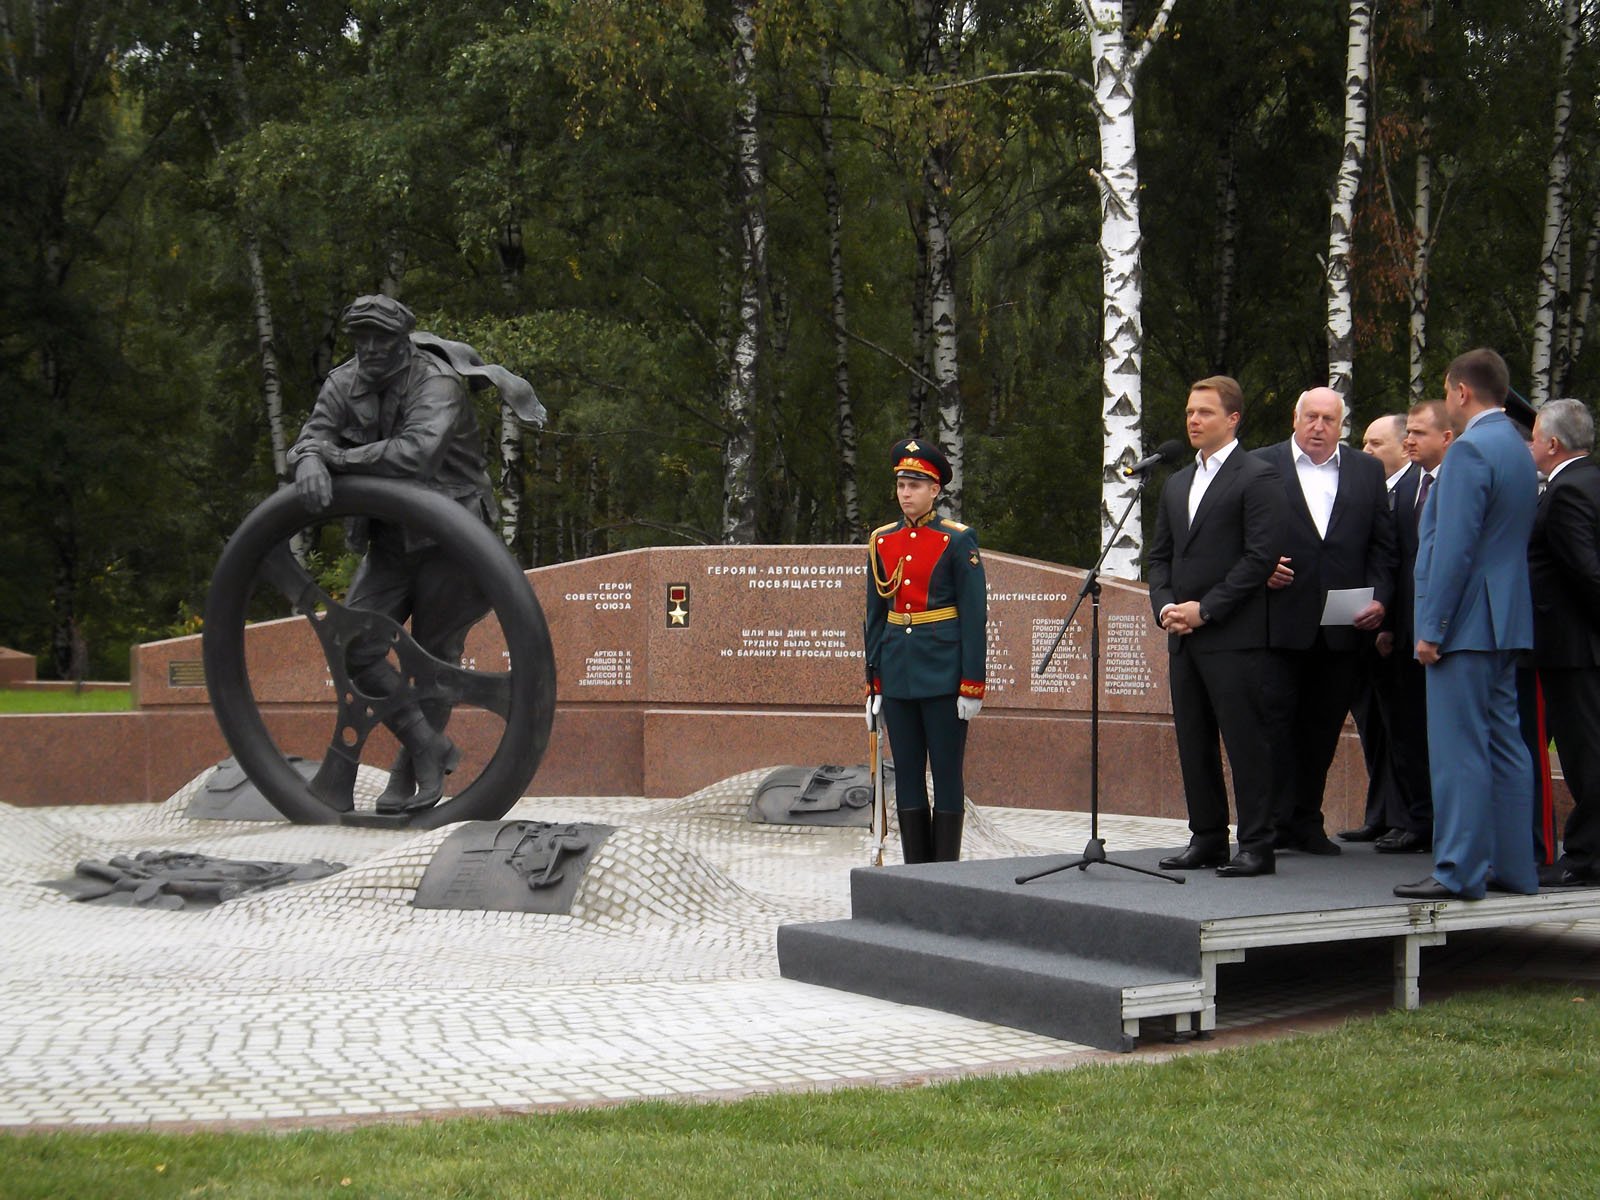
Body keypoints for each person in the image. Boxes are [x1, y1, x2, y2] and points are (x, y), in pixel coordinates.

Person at [288, 294, 540, 815]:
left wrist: (334, 457)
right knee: (353, 643)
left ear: (403, 340)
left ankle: (408, 776)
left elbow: (414, 455)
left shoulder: (437, 383)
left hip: (452, 538)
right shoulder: (343, 381)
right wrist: (311, 456)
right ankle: (430, 745)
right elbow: (311, 435)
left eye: (383, 339)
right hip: (389, 541)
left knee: (434, 660)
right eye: (363, 340)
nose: (373, 350)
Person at [1398, 348, 1540, 900]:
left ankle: (1458, 870)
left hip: (1463, 623)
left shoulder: (1470, 451)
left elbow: (1453, 549)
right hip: (1505, 618)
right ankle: (1513, 867)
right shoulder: (1517, 448)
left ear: (1461, 391)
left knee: (1458, 750)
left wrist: (1431, 627)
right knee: (1506, 744)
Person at [1148, 376, 1286, 878]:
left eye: (1204, 412)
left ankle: (1257, 843)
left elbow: (1259, 558)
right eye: (1189, 411)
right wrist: (1165, 607)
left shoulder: (1257, 476)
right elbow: (1160, 556)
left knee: (1245, 740)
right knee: (1193, 739)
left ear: (1233, 419)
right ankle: (1207, 836)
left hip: (1234, 636)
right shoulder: (1177, 482)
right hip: (1182, 637)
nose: (1192, 420)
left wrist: (1204, 610)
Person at [1257, 388, 1395, 855]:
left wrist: (1381, 598)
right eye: (1310, 417)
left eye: (1328, 419)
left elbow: (1382, 545)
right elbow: (1239, 534)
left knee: (1322, 728)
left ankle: (1306, 822)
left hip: (1343, 626)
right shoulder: (1261, 465)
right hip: (1278, 623)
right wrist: (1259, 569)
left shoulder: (1367, 470)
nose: (1318, 426)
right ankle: (1271, 824)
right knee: (1275, 726)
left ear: (1342, 425)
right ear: (1294, 419)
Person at [864, 437, 987, 864]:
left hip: (944, 674)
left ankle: (945, 874)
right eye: (901, 485)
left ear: (935, 490)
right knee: (909, 775)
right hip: (898, 673)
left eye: (915, 485)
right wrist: (873, 680)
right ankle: (916, 871)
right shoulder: (882, 541)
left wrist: (972, 685)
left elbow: (974, 616)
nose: (906, 493)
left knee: (948, 775)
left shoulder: (957, 540)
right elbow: (875, 616)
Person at [1358, 400, 1454, 854]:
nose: (1366, 451)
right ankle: (1405, 816)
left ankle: (1426, 820)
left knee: (1423, 731)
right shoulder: (1397, 491)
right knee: (1399, 732)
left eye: (1376, 443)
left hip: (1435, 634)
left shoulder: (1438, 484)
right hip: (1398, 632)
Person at [1527, 398, 1600, 886]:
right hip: (1581, 647)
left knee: (1584, 753)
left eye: (1533, 437)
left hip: (1573, 649)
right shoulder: (1591, 479)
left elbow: (1585, 573)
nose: (1530, 445)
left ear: (1552, 444)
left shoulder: (1567, 491)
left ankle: (1585, 856)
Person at [1341, 414, 1413, 843]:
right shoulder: (1375, 492)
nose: (1365, 452)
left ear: (1405, 447)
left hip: (1395, 634)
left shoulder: (1413, 492)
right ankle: (1381, 813)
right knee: (1373, 727)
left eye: (1375, 444)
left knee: (1400, 729)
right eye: (1363, 443)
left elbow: (1404, 566)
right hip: (1361, 633)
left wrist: (1390, 621)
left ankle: (1407, 818)